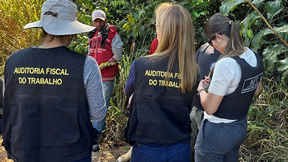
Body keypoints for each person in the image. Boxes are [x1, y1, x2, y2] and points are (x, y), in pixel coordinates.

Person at [2, 0, 106, 161]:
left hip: (25, 149)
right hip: (72, 152)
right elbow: (98, 114)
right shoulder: (86, 64)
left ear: (42, 28)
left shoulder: (13, 61)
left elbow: (9, 106)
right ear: (71, 32)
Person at [124, 3, 200, 162]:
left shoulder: (140, 65)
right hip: (180, 148)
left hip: (147, 147)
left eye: (156, 25)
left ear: (163, 30)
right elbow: (194, 102)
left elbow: (128, 92)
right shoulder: (193, 70)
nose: (155, 29)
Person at [195, 13, 263, 162]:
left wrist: (201, 90)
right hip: (238, 128)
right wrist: (213, 87)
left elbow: (210, 108)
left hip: (217, 132)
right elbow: (255, 91)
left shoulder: (226, 63)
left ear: (219, 37)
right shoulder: (254, 56)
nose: (211, 45)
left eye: (210, 41)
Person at [88, 9, 123, 151]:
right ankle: (89, 134)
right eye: (95, 20)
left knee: (101, 106)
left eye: (100, 20)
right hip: (92, 77)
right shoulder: (91, 35)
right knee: (90, 105)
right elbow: (89, 54)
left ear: (105, 20)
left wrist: (104, 66)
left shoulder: (113, 35)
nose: (98, 23)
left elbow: (118, 55)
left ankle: (94, 137)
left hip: (106, 77)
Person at [190, 42, 221, 160]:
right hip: (195, 103)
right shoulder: (204, 48)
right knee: (190, 142)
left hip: (211, 110)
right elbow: (193, 70)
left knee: (203, 148)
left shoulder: (228, 56)